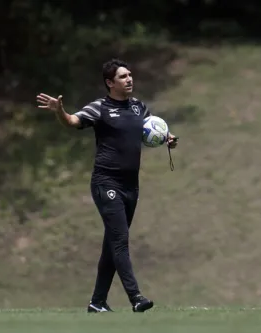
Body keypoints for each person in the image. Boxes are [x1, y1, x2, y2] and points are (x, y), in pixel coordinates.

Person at [36, 59, 178, 313]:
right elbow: (71, 121)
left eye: (130, 75)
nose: (129, 79)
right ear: (110, 83)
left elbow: (152, 130)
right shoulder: (99, 108)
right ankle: (136, 298)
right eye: (123, 77)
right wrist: (59, 110)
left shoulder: (138, 108)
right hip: (106, 182)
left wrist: (168, 139)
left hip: (131, 186)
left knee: (112, 245)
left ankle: (97, 302)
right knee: (120, 241)